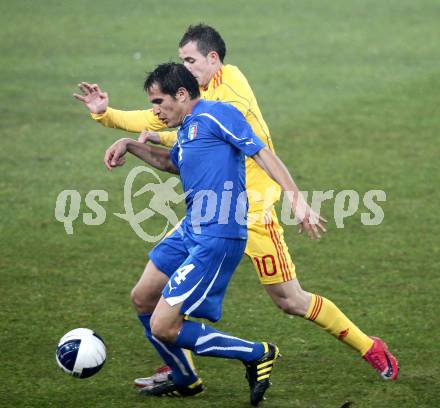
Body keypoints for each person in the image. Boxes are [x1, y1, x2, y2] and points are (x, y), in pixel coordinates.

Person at [74, 24, 398, 384]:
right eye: (182, 60)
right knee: (146, 294)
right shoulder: (199, 96)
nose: (186, 67)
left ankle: (369, 346)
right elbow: (170, 121)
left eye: (191, 60)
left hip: (252, 212)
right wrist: (107, 115)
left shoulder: (229, 94)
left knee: (290, 300)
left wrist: (297, 200)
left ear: (213, 58)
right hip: (207, 214)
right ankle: (180, 367)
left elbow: (203, 131)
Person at [102, 62, 325, 405]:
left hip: (219, 234)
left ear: (181, 94)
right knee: (142, 297)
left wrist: (297, 200)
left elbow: (262, 154)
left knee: (164, 325)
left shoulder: (218, 114)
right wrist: (130, 145)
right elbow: (172, 164)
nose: (155, 111)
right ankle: (186, 379)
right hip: (192, 228)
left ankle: (256, 353)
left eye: (159, 102)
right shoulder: (188, 127)